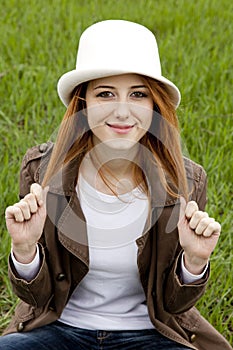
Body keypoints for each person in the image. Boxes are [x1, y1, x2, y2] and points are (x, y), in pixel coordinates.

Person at [1, 20, 231, 350]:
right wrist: (25, 252)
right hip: (60, 330)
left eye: (138, 95)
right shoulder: (42, 171)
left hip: (150, 336)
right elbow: (38, 298)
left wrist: (193, 263)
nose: (122, 112)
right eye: (105, 94)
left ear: (155, 106)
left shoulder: (187, 181)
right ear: (83, 104)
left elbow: (173, 306)